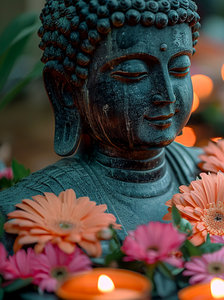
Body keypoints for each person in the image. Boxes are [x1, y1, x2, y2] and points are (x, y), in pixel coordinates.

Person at [0, 0, 202, 240]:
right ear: (66, 90)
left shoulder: (218, 177)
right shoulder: (27, 213)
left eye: (179, 69)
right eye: (133, 73)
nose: (167, 95)